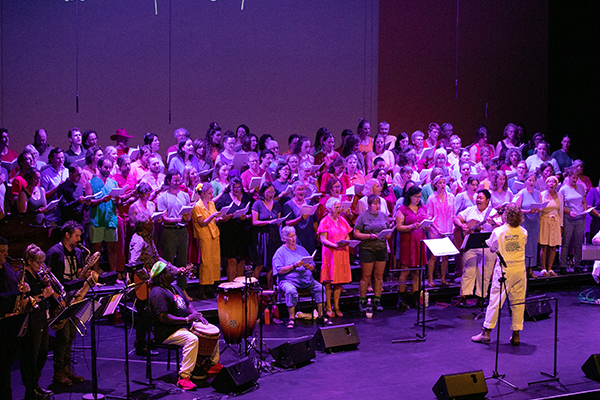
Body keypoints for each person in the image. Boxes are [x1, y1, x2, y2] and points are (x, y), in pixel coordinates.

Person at [148, 262, 220, 390]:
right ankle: (184, 377)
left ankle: (212, 364)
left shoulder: (174, 288)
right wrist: (187, 319)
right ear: (162, 275)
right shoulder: (157, 293)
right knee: (191, 339)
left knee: (211, 331)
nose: (174, 272)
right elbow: (164, 318)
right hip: (167, 332)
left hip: (182, 325)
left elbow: (188, 305)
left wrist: (196, 314)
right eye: (170, 270)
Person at [471, 203, 527, 345]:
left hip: (504, 270)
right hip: (520, 270)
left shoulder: (499, 232)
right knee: (518, 302)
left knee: (495, 300)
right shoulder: (523, 232)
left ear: (505, 215)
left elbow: (491, 247)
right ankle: (516, 334)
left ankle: (487, 331)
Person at [45, 221, 86, 386]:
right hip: (60, 299)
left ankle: (67, 369)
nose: (79, 239)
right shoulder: (54, 252)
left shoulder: (77, 252)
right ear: (67, 235)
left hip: (74, 297)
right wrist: (56, 297)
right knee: (63, 337)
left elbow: (77, 272)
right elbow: (45, 277)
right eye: (76, 235)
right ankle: (58, 372)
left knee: (71, 336)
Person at [273, 226, 328, 329]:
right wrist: (294, 266)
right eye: (290, 236)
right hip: (288, 280)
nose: (293, 238)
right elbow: (279, 270)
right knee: (290, 291)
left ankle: (321, 315)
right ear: (284, 238)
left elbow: (312, 265)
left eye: (294, 235)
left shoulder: (301, 249)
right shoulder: (280, 252)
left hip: (305, 279)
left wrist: (310, 266)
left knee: (320, 288)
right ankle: (291, 318)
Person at [453, 189, 500, 307]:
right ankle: (464, 297)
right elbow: (456, 218)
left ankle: (481, 297)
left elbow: (499, 228)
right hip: (471, 245)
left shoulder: (493, 212)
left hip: (487, 247)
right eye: (477, 197)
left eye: (481, 198)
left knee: (484, 272)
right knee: (468, 270)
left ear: (488, 200)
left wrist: (493, 223)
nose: (478, 200)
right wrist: (462, 225)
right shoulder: (470, 210)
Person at [20, 244, 55, 400]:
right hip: (31, 320)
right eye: (38, 263)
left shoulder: (37, 275)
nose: (41, 266)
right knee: (31, 356)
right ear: (29, 261)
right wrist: (43, 294)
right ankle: (30, 389)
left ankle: (36, 385)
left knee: (42, 353)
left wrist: (47, 284)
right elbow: (24, 302)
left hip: (42, 317)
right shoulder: (23, 276)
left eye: (42, 263)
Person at [157, 170, 193, 300]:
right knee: (168, 261)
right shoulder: (162, 196)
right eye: (174, 180)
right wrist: (179, 220)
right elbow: (164, 218)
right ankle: (167, 289)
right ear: (168, 181)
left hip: (182, 231)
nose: (177, 183)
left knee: (182, 260)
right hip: (169, 230)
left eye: (179, 180)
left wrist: (186, 218)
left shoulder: (184, 195)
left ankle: (182, 289)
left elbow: (187, 213)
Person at [559, 165, 600, 273]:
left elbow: (584, 201)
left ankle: (577, 265)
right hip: (569, 218)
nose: (575, 179)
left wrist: (585, 210)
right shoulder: (563, 189)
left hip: (580, 218)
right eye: (573, 177)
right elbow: (560, 206)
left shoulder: (581, 187)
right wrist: (569, 212)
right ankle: (563, 265)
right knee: (566, 242)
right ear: (569, 176)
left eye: (577, 177)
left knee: (578, 242)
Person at [354, 195, 392, 313]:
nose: (377, 206)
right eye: (375, 204)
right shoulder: (363, 217)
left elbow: (388, 233)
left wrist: (387, 234)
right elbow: (356, 233)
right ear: (369, 205)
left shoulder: (383, 216)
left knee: (379, 276)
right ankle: (362, 301)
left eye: (379, 203)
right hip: (367, 248)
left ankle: (377, 300)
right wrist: (368, 236)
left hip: (381, 248)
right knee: (366, 277)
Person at [317, 197, 352, 317]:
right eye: (337, 207)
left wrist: (346, 241)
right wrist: (335, 245)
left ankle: (336, 306)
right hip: (330, 253)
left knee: (339, 281)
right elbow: (323, 239)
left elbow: (347, 235)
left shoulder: (342, 220)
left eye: (339, 207)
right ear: (330, 208)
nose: (339, 209)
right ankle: (328, 306)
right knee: (329, 281)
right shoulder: (325, 221)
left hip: (342, 253)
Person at [395, 186, 428, 310]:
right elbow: (398, 227)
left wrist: (426, 226)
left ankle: (415, 298)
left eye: (420, 197)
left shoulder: (423, 208)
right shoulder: (402, 209)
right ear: (410, 196)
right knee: (405, 271)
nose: (418, 199)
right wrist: (411, 227)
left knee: (417, 271)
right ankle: (402, 299)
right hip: (407, 242)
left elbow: (426, 221)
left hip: (420, 241)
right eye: (416, 197)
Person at [215, 177, 253, 281]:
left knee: (241, 260)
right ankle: (231, 285)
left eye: (238, 187)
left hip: (243, 233)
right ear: (230, 187)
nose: (236, 190)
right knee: (231, 260)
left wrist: (247, 217)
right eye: (234, 187)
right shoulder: (224, 198)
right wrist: (228, 217)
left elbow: (253, 214)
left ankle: (240, 286)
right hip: (229, 233)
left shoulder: (247, 197)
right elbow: (218, 216)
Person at [85, 156, 119, 272]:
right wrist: (101, 200)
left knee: (111, 249)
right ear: (99, 167)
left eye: (110, 168)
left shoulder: (113, 183)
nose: (108, 170)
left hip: (110, 219)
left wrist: (118, 200)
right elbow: (88, 202)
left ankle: (113, 274)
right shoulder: (91, 183)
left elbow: (116, 200)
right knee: (96, 249)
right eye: (106, 167)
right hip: (97, 220)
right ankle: (94, 276)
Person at [0, 236, 22, 400]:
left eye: (6, 251)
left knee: (6, 367)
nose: (6, 255)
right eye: (2, 252)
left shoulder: (7, 267)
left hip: (9, 324)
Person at [191, 183, 221, 299]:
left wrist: (218, 217)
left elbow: (213, 219)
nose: (211, 195)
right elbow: (202, 223)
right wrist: (213, 215)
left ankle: (210, 286)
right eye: (209, 193)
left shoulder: (211, 203)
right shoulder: (197, 206)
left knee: (214, 261)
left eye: (212, 193)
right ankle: (202, 287)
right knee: (206, 262)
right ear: (202, 194)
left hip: (214, 234)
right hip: (204, 235)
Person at [251, 182, 283, 289]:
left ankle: (270, 289)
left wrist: (278, 221)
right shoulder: (257, 204)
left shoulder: (277, 204)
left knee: (271, 264)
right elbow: (254, 222)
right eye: (269, 192)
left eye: (273, 192)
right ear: (263, 192)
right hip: (261, 237)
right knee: (260, 264)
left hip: (274, 236)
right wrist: (268, 222)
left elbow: (278, 222)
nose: (271, 194)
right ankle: (253, 288)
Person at [426, 175, 455, 286]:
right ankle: (430, 280)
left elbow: (453, 214)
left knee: (446, 256)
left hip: (447, 229)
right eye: (440, 183)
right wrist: (437, 229)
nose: (443, 185)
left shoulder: (451, 197)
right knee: (433, 256)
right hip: (436, 229)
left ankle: (443, 278)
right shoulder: (432, 198)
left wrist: (452, 227)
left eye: (444, 183)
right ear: (435, 185)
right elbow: (429, 216)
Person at [283, 181, 317, 255]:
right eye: (299, 189)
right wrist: (300, 218)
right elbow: (287, 223)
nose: (301, 191)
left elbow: (314, 221)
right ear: (293, 191)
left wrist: (317, 235)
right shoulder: (288, 205)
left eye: (303, 189)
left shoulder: (309, 203)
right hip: (297, 238)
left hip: (309, 237)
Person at [539, 176, 563, 277]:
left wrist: (561, 225)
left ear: (556, 184)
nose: (551, 184)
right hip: (544, 221)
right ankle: (543, 268)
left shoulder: (560, 196)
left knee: (553, 246)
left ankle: (550, 268)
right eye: (549, 182)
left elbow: (560, 211)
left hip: (555, 221)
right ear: (546, 184)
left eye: (553, 182)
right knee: (544, 246)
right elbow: (539, 209)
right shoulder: (542, 194)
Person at [41, 147, 69, 224]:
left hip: (65, 214)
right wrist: (58, 187)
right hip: (52, 216)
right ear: (51, 159)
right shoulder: (45, 174)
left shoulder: (67, 171)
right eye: (58, 158)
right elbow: (44, 196)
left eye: (62, 158)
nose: (61, 160)